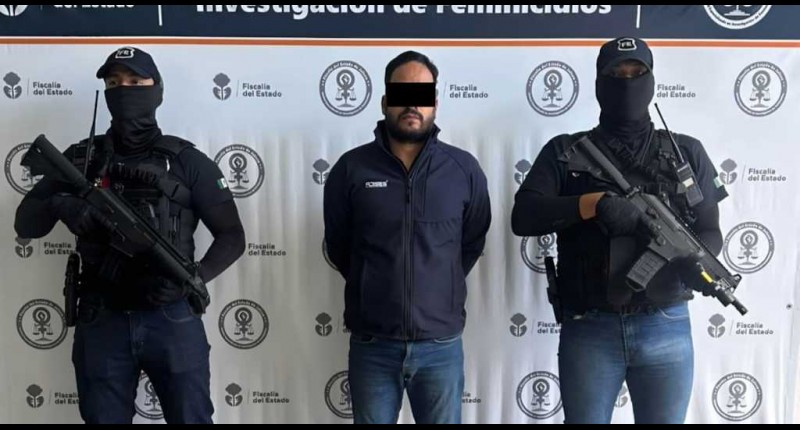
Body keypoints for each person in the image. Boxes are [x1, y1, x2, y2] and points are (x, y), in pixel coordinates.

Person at [14, 46, 246, 424]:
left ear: (157, 90)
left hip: (170, 316)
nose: (124, 90)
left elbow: (232, 236)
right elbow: (26, 224)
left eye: (136, 82)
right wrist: (63, 206)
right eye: (114, 83)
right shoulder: (82, 158)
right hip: (101, 316)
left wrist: (193, 278)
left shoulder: (187, 162)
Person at [511, 37, 729, 424]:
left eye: (636, 72)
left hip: (666, 324)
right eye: (616, 73)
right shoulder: (566, 151)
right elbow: (524, 216)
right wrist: (592, 205)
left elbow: (710, 230)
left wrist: (693, 262)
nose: (627, 82)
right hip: (590, 327)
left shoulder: (685, 152)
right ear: (599, 83)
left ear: (652, 80)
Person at [323, 50, 491, 424]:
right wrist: (372, 283)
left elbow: (471, 243)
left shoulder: (463, 170)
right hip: (372, 345)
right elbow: (339, 245)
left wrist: (438, 284)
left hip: (440, 346)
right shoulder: (351, 169)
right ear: (385, 102)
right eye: (402, 93)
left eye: (422, 95)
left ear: (435, 104)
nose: (412, 105)